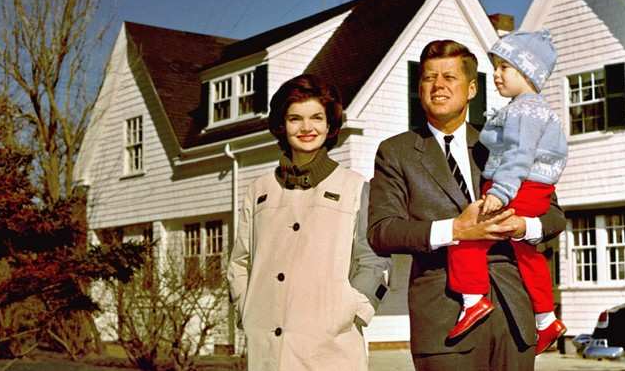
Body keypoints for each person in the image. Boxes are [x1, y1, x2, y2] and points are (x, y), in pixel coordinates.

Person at [368, 40, 566, 371]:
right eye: (429, 78)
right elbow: (382, 231)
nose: (438, 85)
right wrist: (455, 230)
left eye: (449, 77)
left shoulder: (504, 141)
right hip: (444, 321)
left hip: (514, 318)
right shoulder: (396, 152)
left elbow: (554, 215)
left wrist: (524, 227)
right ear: (420, 88)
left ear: (472, 88)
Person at [227, 74, 391, 371]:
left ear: (330, 125)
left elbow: (374, 261)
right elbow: (239, 262)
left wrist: (352, 312)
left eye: (317, 117)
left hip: (331, 349)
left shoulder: (355, 188)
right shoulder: (259, 191)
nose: (306, 128)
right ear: (281, 125)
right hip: (267, 349)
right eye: (295, 118)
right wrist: (246, 310)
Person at [446, 30, 568, 355]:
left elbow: (519, 154)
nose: (496, 75)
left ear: (527, 72)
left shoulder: (524, 110)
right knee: (528, 254)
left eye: (504, 68)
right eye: (496, 67)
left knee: (467, 239)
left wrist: (500, 191)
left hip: (516, 188)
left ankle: (473, 300)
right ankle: (545, 319)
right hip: (534, 189)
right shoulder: (530, 109)